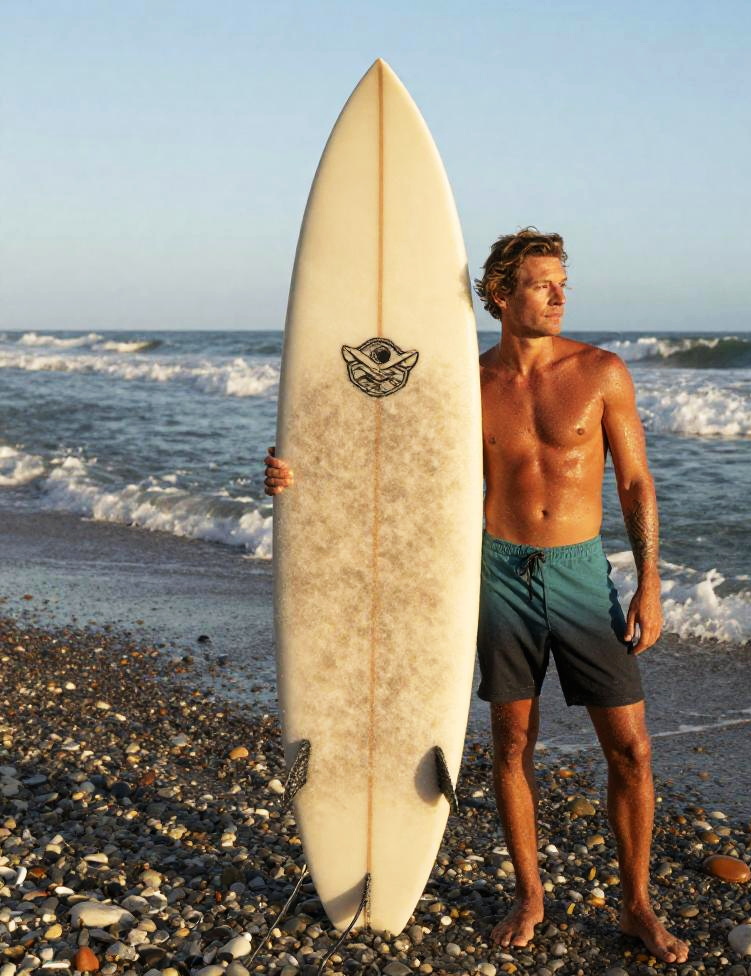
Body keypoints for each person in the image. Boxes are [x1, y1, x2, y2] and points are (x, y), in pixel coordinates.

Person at [264, 228, 688, 964]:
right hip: (496, 573)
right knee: (512, 745)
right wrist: (297, 475)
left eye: (563, 282)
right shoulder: (463, 384)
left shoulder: (601, 372)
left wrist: (649, 582)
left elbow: (635, 483)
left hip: (583, 576)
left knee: (632, 751)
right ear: (500, 294)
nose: (560, 294)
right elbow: (389, 464)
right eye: (541, 283)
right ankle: (530, 895)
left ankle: (637, 906)